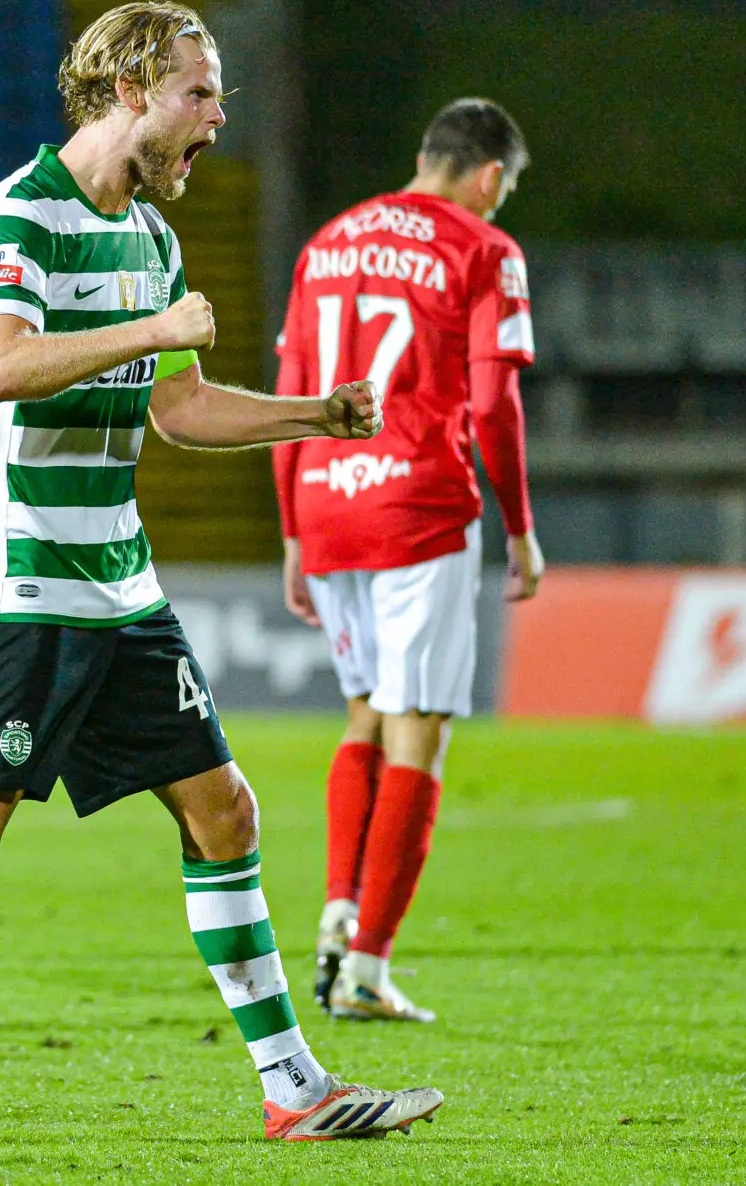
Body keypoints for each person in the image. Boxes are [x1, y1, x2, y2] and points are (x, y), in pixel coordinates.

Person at [0, 1, 444, 1143]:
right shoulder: (22, 216)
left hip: (121, 584)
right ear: (129, 91)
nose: (217, 119)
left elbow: (181, 409)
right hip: (26, 580)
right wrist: (149, 333)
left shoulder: (149, 238)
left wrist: (316, 414)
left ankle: (296, 1091)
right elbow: (2, 366)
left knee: (224, 810)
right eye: (200, 94)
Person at [272, 98, 544, 1024]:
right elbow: (493, 403)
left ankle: (337, 915)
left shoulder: (327, 241)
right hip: (418, 506)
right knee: (418, 727)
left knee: (365, 713)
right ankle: (367, 966)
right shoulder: (484, 249)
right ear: (490, 176)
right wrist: (520, 526)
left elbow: (292, 393)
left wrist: (293, 529)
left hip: (326, 502)